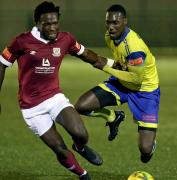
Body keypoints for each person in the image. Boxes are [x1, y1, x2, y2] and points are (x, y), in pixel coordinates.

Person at [0, 2, 119, 180]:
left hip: (54, 97)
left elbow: (88, 56)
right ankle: (83, 175)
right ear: (38, 23)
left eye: (55, 23)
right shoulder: (22, 41)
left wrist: (113, 65)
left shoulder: (66, 39)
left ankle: (80, 147)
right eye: (47, 24)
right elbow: (2, 63)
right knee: (60, 149)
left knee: (81, 134)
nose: (52, 27)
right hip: (31, 108)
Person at [75, 4, 160, 163]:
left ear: (125, 22)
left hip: (145, 91)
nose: (111, 27)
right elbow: (121, 64)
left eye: (115, 23)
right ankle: (113, 117)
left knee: (145, 152)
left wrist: (106, 67)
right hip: (122, 83)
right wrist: (107, 62)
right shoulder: (109, 36)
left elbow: (136, 79)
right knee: (81, 106)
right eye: (108, 22)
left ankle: (150, 145)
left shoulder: (134, 48)